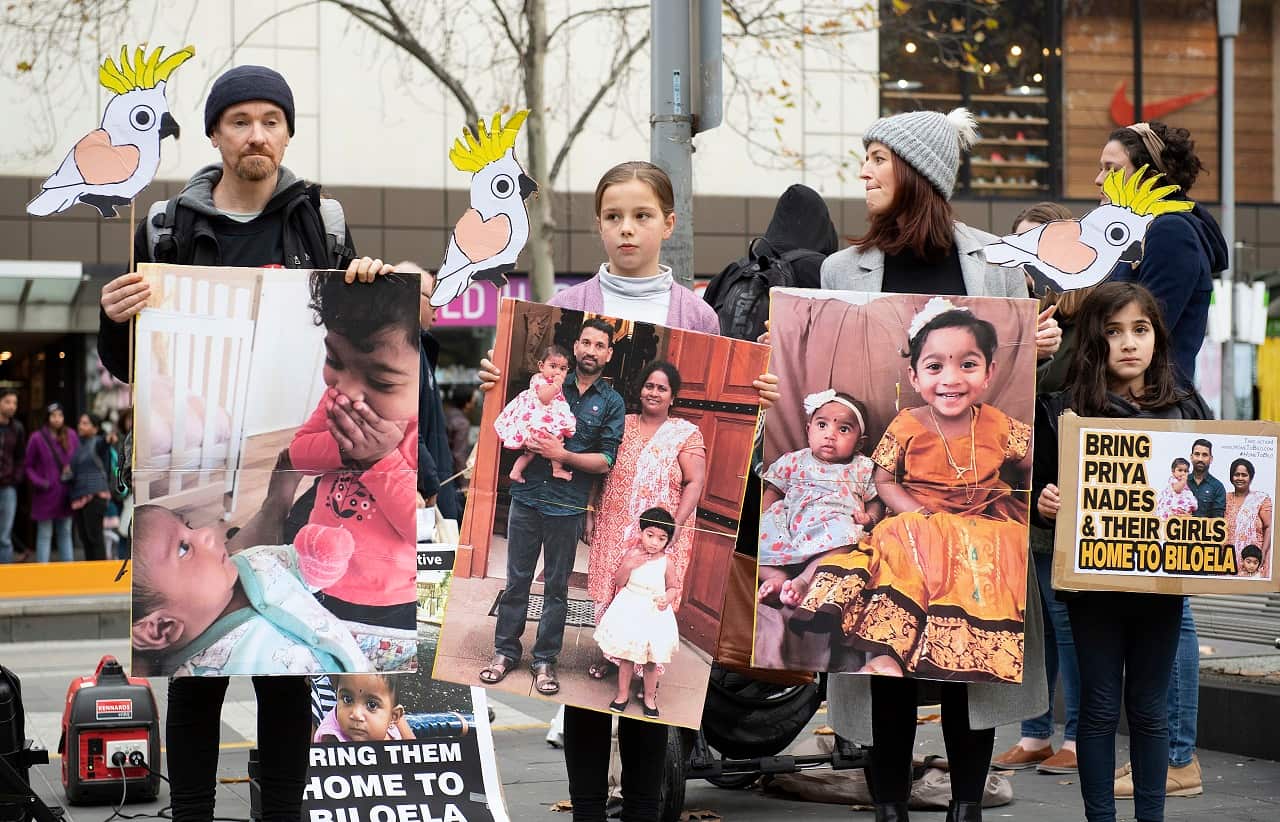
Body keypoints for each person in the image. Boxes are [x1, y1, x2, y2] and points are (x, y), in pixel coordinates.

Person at [475, 160, 778, 822]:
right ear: (597, 225)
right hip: (591, 504)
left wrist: (762, 396)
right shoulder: (575, 305)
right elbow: (540, 394)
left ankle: (645, 809)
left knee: (647, 670)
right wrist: (496, 377)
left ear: (669, 223)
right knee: (591, 671)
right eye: (613, 216)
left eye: (642, 215)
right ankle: (588, 809)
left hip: (661, 518)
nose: (627, 229)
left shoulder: (694, 312)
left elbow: (709, 431)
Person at [96, 64, 360, 821]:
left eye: (270, 120)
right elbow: (127, 369)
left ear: (287, 134)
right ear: (215, 134)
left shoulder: (322, 226)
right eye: (239, 119)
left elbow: (356, 327)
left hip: (281, 453)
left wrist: (374, 278)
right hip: (188, 460)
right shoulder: (166, 227)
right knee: (194, 682)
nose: (256, 134)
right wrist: (118, 318)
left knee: (286, 684)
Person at [814, 108, 1057, 822]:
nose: (864, 172)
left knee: (969, 660)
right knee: (886, 655)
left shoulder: (999, 261)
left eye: (878, 159)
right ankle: (888, 802)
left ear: (918, 171)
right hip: (900, 509)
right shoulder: (840, 268)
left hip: (983, 510)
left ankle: (967, 806)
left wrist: (1033, 354)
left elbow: (1025, 393)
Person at [1033, 281, 1212, 822]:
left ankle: (1151, 817)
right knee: (1098, 708)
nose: (1129, 344)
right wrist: (1045, 498)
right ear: (1094, 339)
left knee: (1151, 710)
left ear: (1157, 337)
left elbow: (1212, 499)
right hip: (1091, 586)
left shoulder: (1187, 409)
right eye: (1114, 332)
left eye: (1141, 329)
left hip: (1161, 585)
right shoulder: (1061, 409)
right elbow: (1035, 482)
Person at [793, 302, 1032, 682]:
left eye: (967, 365)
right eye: (935, 367)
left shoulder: (998, 424)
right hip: (919, 514)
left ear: (989, 373)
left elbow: (1032, 462)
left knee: (1001, 544)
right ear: (915, 377)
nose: (950, 379)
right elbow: (884, 481)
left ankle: (965, 650)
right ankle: (885, 655)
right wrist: (917, 513)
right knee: (897, 541)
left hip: (980, 518)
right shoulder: (907, 424)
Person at [478, 316, 626, 699]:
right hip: (527, 500)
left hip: (567, 506)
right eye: (586, 343)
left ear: (609, 354)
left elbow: (606, 461)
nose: (591, 351)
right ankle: (505, 652)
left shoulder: (611, 402)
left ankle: (545, 660)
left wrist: (561, 455)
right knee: (516, 581)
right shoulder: (547, 383)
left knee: (557, 589)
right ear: (575, 346)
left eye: (599, 346)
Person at [993, 201, 1082, 776]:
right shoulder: (1012, 321)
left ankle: (1073, 736)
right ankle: (1033, 732)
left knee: (1063, 616)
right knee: (1033, 619)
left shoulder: (1082, 324)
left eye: (1038, 243)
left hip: (1062, 484)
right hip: (1021, 489)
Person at [288, 270, 419, 632]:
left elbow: (417, 530)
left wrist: (381, 459)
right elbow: (299, 454)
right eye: (335, 361)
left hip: (387, 600)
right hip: (315, 575)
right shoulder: (337, 398)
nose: (346, 388)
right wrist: (349, 450)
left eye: (380, 380)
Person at [130, 503, 370, 676]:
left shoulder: (254, 561)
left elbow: (299, 564)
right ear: (161, 628)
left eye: (189, 525)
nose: (205, 534)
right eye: (183, 549)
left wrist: (320, 558)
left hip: (365, 673)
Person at [584, 360, 705, 682]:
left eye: (662, 388)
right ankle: (609, 656)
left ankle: (643, 666)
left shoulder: (686, 433)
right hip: (615, 523)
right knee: (613, 589)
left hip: (659, 533)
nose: (654, 392)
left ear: (673, 396)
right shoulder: (620, 423)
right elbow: (602, 467)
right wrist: (590, 510)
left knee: (648, 596)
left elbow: (694, 482)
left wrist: (675, 526)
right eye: (649, 386)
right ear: (640, 390)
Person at [1095, 122, 1226, 386]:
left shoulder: (1170, 232)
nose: (1099, 179)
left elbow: (1149, 328)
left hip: (1151, 405)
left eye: (1112, 169)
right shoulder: (1143, 230)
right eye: (1101, 168)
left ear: (1150, 176)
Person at [757, 389, 882, 607]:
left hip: (831, 527)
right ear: (808, 430)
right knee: (752, 542)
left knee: (850, 537)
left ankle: (804, 580)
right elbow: (774, 489)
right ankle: (776, 578)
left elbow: (875, 501)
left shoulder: (861, 467)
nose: (830, 435)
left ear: (859, 443)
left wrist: (869, 518)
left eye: (843, 429)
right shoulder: (794, 460)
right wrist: (767, 515)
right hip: (790, 524)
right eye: (822, 425)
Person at [592, 507, 683, 719]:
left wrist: (667, 598)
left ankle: (650, 697)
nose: (653, 542)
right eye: (650, 535)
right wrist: (629, 565)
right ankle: (622, 694)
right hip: (630, 609)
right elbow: (619, 582)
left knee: (651, 661)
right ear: (641, 532)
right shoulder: (632, 555)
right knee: (627, 657)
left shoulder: (666, 562)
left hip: (654, 612)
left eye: (661, 538)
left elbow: (673, 587)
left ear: (667, 541)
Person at [493, 344, 576, 483]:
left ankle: (516, 471)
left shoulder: (552, 382)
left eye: (562, 369)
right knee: (554, 442)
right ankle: (556, 470)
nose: (557, 372)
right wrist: (556, 386)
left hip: (544, 419)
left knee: (534, 452)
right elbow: (544, 398)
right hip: (538, 420)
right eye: (553, 366)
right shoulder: (540, 380)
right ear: (541, 366)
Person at [24, 403, 76, 563]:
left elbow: (79, 460)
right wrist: (41, 483)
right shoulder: (37, 438)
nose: (57, 419)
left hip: (66, 493)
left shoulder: (71, 435)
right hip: (45, 494)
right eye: (53, 415)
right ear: (47, 418)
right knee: (45, 533)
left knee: (66, 532)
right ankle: (43, 572)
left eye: (60, 415)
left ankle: (68, 571)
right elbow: (28, 466)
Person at [68, 413, 112, 562]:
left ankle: (100, 577)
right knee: (85, 538)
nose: (81, 426)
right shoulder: (78, 446)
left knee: (95, 537)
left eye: (85, 423)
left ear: (95, 429)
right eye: (80, 423)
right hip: (79, 497)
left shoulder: (97, 442)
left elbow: (104, 444)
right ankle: (91, 576)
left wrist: (108, 439)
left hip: (95, 497)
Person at [313, 674, 409, 742]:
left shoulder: (388, 720)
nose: (356, 715)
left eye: (372, 705)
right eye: (347, 699)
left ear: (394, 717)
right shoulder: (332, 741)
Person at [1224, 458, 1273, 576]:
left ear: (1250, 477)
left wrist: (1263, 553)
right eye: (1236, 474)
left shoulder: (1261, 499)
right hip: (1227, 561)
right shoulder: (1224, 498)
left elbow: (1268, 527)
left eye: (1244, 475)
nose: (1240, 478)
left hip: (1253, 562)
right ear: (1231, 477)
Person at [0, 390, 24, 563]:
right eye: (8, 402)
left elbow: (21, 457)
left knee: (5, 536)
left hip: (8, 486)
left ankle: (5, 577)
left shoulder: (17, 428)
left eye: (14, 403)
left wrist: (16, 477)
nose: (12, 406)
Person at [445, 386, 475, 490]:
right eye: (473, 400)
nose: (474, 404)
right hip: (451, 475)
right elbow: (459, 454)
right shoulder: (462, 423)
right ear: (467, 403)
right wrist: (464, 484)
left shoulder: (445, 414)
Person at [1187, 439, 1226, 518]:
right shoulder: (1180, 483)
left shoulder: (1217, 487)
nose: (1200, 459)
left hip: (1206, 530)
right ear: (1191, 457)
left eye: (1204, 455)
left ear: (1211, 459)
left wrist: (1190, 520)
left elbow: (1218, 521)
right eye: (1197, 454)